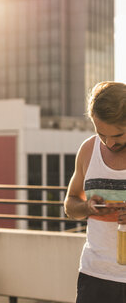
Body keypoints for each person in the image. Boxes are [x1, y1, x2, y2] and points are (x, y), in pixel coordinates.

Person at [64, 81, 126, 303]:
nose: (109, 143)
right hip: (94, 277)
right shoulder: (88, 150)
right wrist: (87, 208)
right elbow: (70, 204)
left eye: (117, 136)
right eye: (101, 134)